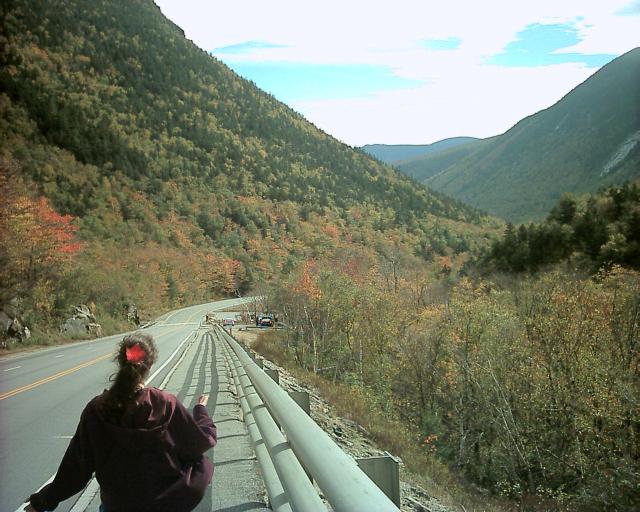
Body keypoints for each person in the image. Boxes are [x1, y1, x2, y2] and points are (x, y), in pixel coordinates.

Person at [25, 333, 217, 512]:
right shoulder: (165, 404)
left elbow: (75, 470)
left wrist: (41, 502)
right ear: (149, 365)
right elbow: (201, 442)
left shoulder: (97, 409)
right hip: (164, 504)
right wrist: (200, 411)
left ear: (120, 362)